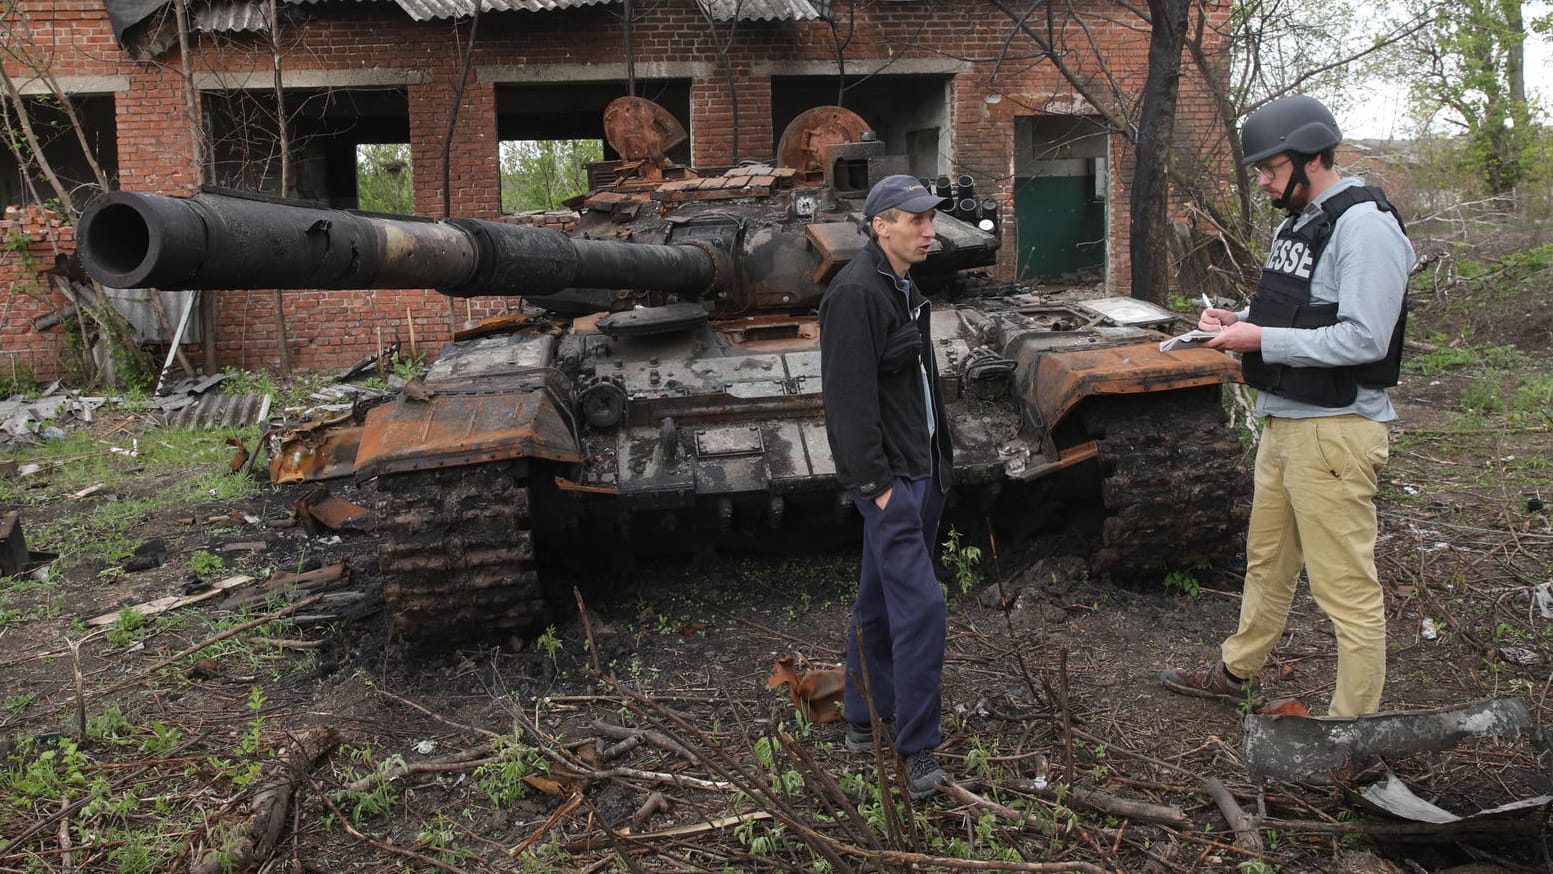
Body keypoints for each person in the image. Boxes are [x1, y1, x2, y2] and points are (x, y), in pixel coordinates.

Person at [1160, 95, 1414, 718]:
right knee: (1267, 560)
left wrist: (1261, 340)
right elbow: (1297, 309)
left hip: (1335, 431)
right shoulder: (1299, 221)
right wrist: (1239, 320)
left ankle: (1351, 730)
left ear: (1311, 158)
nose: (1265, 182)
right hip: (1286, 420)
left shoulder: (1365, 226)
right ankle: (1236, 669)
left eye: (1272, 169)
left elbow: (1364, 337)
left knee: (1345, 589)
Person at [818, 174, 954, 799]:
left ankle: (860, 717)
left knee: (878, 599)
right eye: (916, 220)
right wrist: (876, 486)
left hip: (918, 468)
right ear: (881, 225)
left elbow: (914, 384)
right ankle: (918, 748)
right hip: (891, 478)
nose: (930, 230)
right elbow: (847, 403)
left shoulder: (902, 286)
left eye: (931, 219)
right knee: (921, 608)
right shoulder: (855, 295)